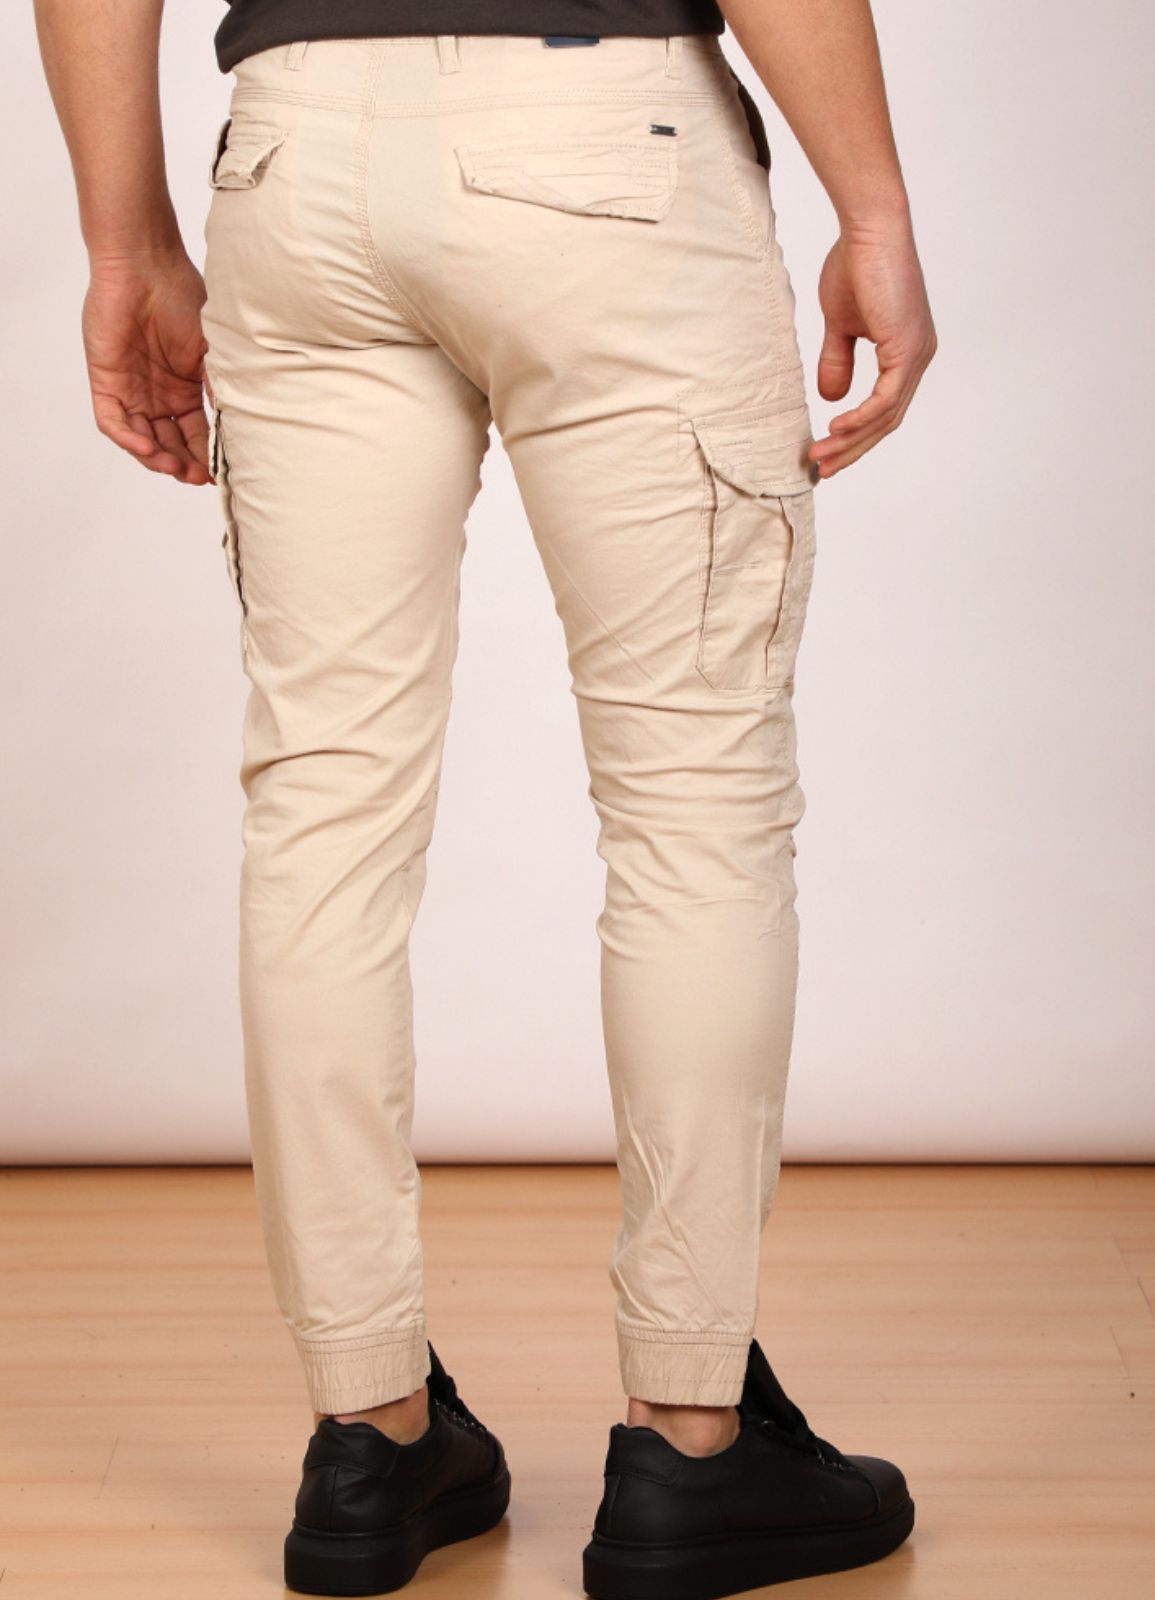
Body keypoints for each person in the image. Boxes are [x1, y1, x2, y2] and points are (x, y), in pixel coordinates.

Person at [34, 0, 935, 1594]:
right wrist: (873, 211)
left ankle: (368, 1434)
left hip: (298, 155)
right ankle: (690, 1442)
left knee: (321, 808)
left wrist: (125, 239)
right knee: (693, 796)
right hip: (603, 142)